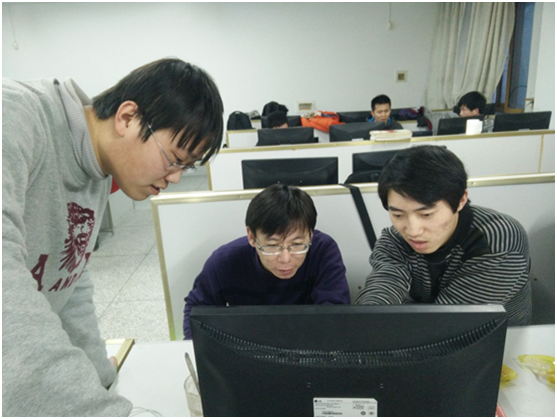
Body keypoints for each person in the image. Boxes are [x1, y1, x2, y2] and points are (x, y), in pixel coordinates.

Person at [2, 58, 224, 416]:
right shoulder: (13, 115)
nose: (175, 178)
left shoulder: (97, 170)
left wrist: (99, 377)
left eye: (186, 167)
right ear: (127, 118)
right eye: (174, 159)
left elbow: (67, 283)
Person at [355, 145, 532, 326]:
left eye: (427, 214)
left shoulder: (497, 241)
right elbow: (383, 288)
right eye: (398, 215)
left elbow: (448, 324)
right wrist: (368, 320)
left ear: (461, 200)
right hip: (417, 332)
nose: (413, 231)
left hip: (498, 338)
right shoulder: (395, 239)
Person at [183, 184, 350, 338]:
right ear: (251, 237)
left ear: (310, 235)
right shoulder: (225, 261)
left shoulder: (323, 251)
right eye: (272, 246)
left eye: (297, 244)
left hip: (308, 345)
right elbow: (197, 310)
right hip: (246, 345)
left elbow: (334, 314)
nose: (285, 259)